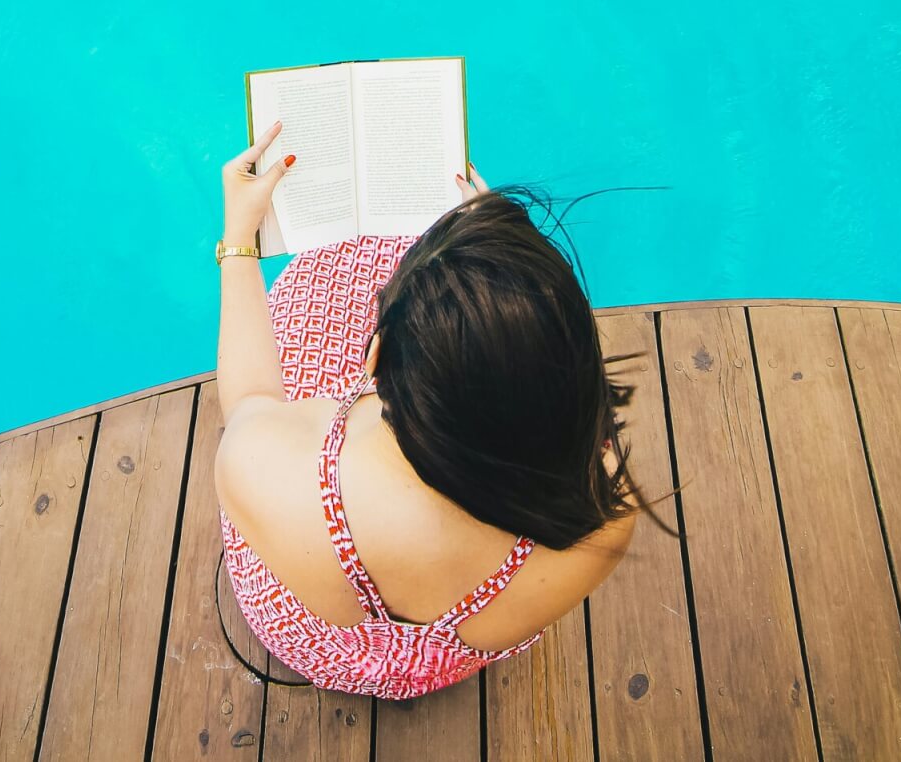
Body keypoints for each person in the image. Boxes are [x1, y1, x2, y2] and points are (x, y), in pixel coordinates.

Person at [210, 119, 673, 700]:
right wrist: (507, 271)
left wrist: (239, 242)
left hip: (310, 621)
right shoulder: (603, 515)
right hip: (470, 633)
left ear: (373, 358)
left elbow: (250, 399)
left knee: (315, 285)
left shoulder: (272, 476)